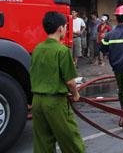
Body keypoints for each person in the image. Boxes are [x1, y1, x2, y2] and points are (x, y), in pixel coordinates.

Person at [30, 11, 85, 152]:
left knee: (43, 143)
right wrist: (75, 95)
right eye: (66, 26)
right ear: (61, 28)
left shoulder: (37, 48)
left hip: (37, 102)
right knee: (71, 141)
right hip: (55, 103)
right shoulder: (62, 50)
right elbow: (70, 82)